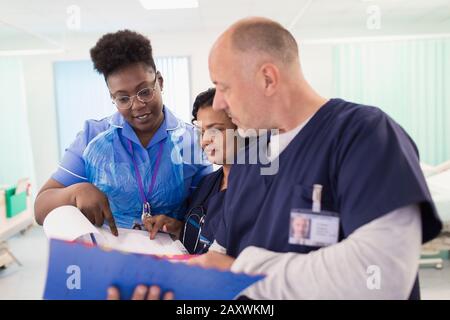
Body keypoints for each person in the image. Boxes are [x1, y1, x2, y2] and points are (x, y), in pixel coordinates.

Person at [185, 17, 442, 300]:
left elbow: (380, 277)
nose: (219, 103)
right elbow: (219, 258)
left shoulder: (365, 135)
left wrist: (245, 274)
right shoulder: (248, 161)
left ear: (267, 78)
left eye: (224, 87)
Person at [34, 30, 211, 235]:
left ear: (160, 82)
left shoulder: (193, 140)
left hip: (170, 257)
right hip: (110, 259)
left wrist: (180, 227)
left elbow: (206, 214)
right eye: (123, 98)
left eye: (145, 92)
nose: (137, 106)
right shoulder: (93, 136)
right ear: (112, 97)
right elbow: (40, 209)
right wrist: (75, 192)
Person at [143, 88, 245, 254]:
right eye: (202, 132)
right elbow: (202, 236)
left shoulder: (258, 189)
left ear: (242, 128)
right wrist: (176, 228)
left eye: (216, 130)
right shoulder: (208, 183)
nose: (205, 141)